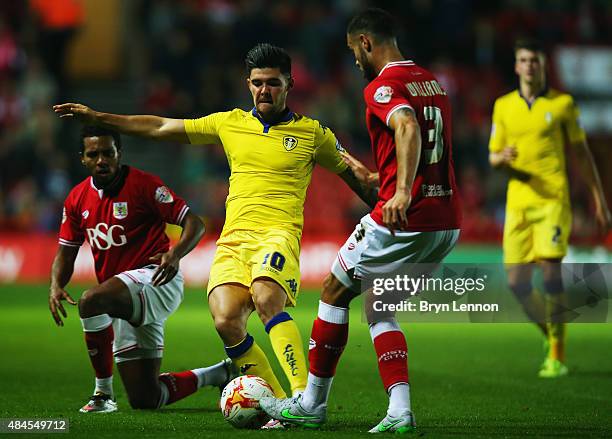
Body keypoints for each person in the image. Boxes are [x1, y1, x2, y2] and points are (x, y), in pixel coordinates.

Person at [53, 44, 376, 422]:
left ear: (289, 84)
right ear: (248, 85)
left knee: (266, 295)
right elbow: (160, 126)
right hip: (234, 239)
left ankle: (306, 399)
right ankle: (273, 405)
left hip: (277, 235)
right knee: (225, 319)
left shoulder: (312, 134)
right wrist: (100, 118)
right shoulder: (229, 123)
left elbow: (355, 177)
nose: (264, 90)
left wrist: (389, 205)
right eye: (257, 83)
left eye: (273, 83)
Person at [259, 8, 461, 433]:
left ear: (366, 43)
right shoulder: (430, 81)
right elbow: (425, 143)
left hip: (407, 215)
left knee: (333, 290)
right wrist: (379, 176)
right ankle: (400, 411)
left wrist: (401, 190)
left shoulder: (383, 86)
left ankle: (312, 403)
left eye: (354, 51)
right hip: (445, 221)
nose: (354, 60)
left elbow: (406, 126)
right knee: (381, 307)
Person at [48, 125, 233, 413]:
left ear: (119, 153)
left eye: (108, 153)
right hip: (123, 296)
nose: (101, 160)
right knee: (146, 398)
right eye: (93, 154)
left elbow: (194, 223)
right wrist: (56, 285)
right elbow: (66, 250)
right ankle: (219, 373)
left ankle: (102, 394)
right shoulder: (76, 199)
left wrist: (175, 254)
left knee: (91, 301)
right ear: (82, 159)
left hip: (157, 279)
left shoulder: (144, 185)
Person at [488, 39, 611, 378]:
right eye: (524, 60)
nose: (530, 66)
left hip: (553, 200)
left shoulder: (563, 105)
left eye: (535, 61)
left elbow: (582, 153)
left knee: (551, 270)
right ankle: (550, 334)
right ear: (516, 66)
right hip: (518, 203)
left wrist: (598, 198)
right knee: (517, 283)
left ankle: (557, 354)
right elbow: (493, 156)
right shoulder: (503, 106)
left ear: (543, 66)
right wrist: (503, 159)